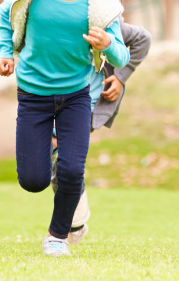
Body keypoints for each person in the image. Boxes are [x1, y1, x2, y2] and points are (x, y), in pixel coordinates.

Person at [0, 0, 130, 257]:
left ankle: (57, 236)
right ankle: (55, 159)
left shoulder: (100, 0)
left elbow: (122, 57)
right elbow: (7, 19)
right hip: (33, 95)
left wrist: (107, 44)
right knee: (34, 180)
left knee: (71, 170)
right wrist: (4, 53)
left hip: (77, 97)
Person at [52, 18, 152, 245]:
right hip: (52, 96)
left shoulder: (100, 20)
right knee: (52, 164)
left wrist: (119, 77)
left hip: (88, 100)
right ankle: (75, 220)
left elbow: (143, 39)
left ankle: (72, 224)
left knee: (63, 156)